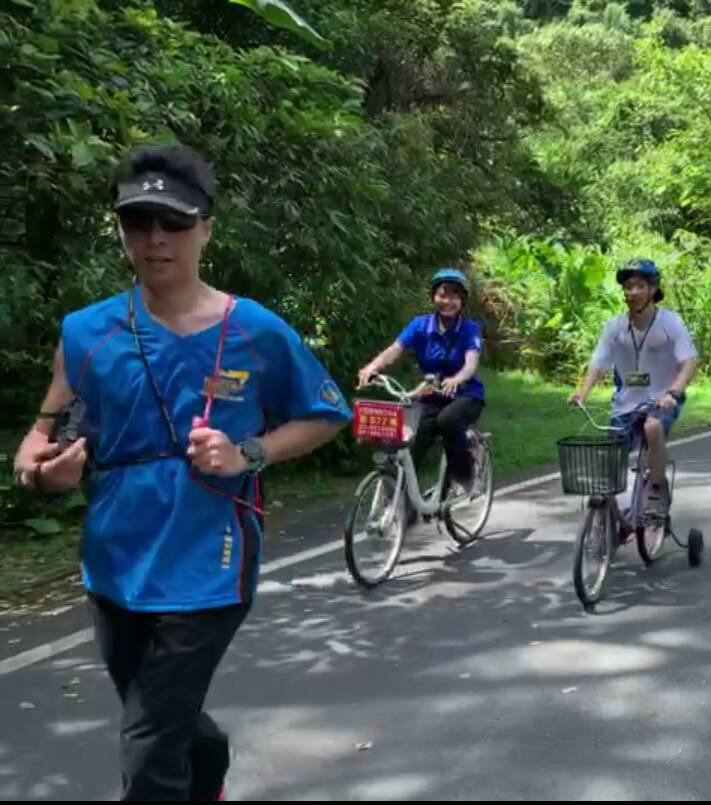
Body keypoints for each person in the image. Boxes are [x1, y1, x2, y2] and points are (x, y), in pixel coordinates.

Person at [9, 144, 351, 800]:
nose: (157, 238)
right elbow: (43, 432)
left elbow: (325, 413)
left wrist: (247, 452)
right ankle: (209, 767)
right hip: (113, 563)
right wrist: (39, 473)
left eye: (174, 222)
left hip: (210, 561)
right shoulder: (86, 332)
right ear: (122, 232)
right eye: (140, 223)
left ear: (206, 228)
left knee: (146, 750)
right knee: (163, 716)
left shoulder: (255, 330)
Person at [570, 259, 697, 517]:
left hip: (662, 400)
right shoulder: (615, 326)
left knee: (652, 426)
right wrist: (583, 392)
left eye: (639, 286)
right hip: (625, 403)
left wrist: (674, 392)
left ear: (652, 289)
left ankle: (657, 489)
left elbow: (689, 361)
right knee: (608, 467)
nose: (633, 293)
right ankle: (608, 522)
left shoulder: (670, 322)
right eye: (628, 287)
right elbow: (598, 362)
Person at [358, 267, 485, 491]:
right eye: (443, 294)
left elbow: (471, 363)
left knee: (448, 420)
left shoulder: (469, 329)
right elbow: (395, 349)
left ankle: (464, 475)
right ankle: (405, 499)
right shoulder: (419, 326)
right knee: (412, 435)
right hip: (432, 394)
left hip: (467, 395)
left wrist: (457, 379)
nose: (448, 301)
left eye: (455, 295)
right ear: (434, 296)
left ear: (462, 300)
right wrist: (372, 367)